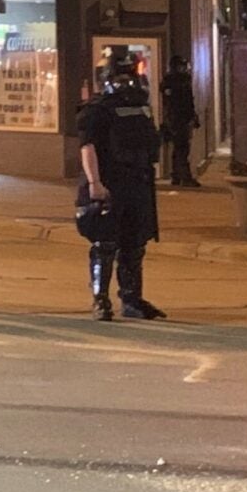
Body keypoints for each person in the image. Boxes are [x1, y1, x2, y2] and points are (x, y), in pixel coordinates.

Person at [75, 46, 165, 321]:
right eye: (120, 77)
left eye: (129, 76)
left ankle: (131, 299)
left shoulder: (141, 106)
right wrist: (95, 183)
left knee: (135, 245)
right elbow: (87, 147)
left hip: (137, 181)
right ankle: (100, 300)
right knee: (105, 244)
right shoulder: (96, 110)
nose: (125, 83)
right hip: (110, 182)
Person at [160, 54, 201, 188]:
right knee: (181, 148)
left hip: (182, 118)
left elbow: (189, 101)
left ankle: (177, 176)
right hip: (176, 119)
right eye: (181, 66)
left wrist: (193, 116)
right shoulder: (171, 81)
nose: (183, 68)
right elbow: (174, 102)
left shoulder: (182, 80)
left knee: (179, 148)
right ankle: (184, 177)